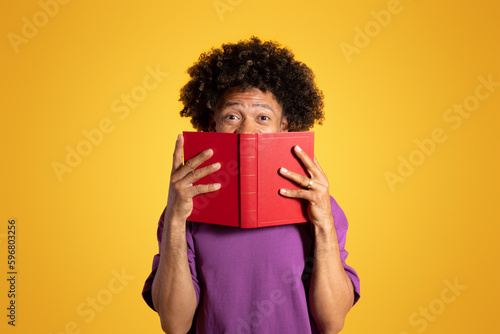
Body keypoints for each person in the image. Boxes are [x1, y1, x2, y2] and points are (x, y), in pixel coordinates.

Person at [142, 36, 360, 334]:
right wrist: (176, 219)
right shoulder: (185, 208)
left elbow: (332, 322)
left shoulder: (319, 205)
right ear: (212, 125)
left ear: (283, 128)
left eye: (262, 117)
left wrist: (322, 223)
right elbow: (175, 324)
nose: (246, 130)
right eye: (232, 116)